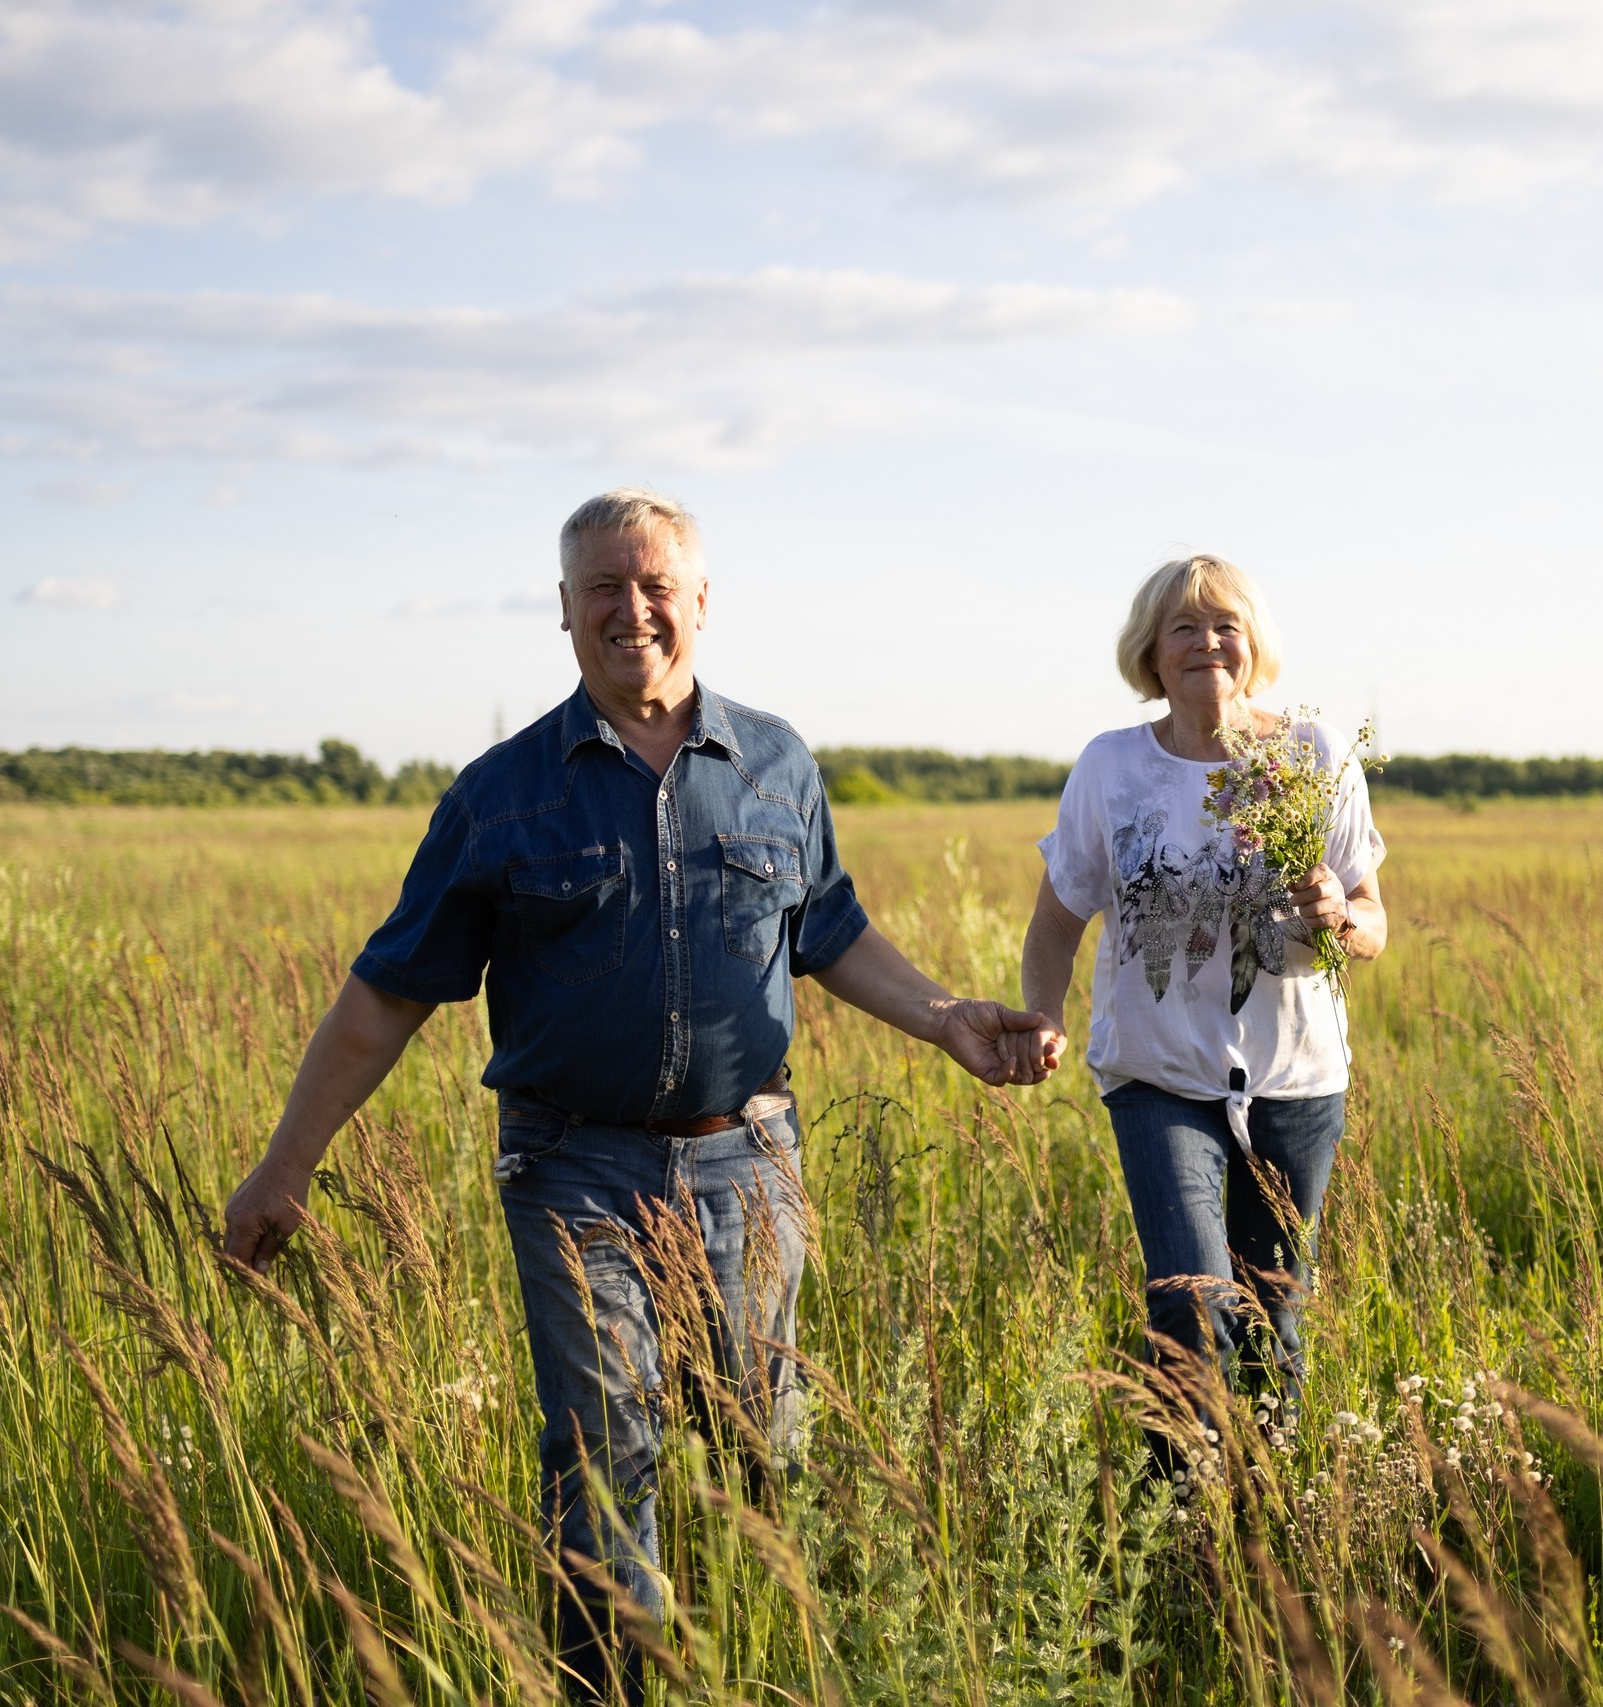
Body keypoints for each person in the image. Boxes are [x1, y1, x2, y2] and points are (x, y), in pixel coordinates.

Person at [219, 487, 1052, 1704]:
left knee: (763, 1443)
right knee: (605, 1450)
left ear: (702, 602)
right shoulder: (500, 795)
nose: (632, 609)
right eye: (603, 587)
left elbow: (828, 931)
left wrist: (941, 1021)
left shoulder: (774, 763)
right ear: (563, 612)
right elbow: (386, 997)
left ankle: (769, 1662)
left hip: (747, 1163)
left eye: (656, 583)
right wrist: (288, 1161)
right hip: (573, 1167)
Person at [1017, 553, 1386, 1437]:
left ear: (1253, 643)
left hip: (1296, 1083)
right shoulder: (1111, 769)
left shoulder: (1312, 752)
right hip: (1158, 1077)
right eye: (1183, 627)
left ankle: (1264, 1517)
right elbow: (1055, 927)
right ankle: (1178, 1518)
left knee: (1272, 1319)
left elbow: (1374, 923)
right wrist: (1044, 1017)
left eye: (1225, 625)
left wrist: (1339, 913)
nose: (1206, 642)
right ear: (1151, 651)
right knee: (1191, 1305)